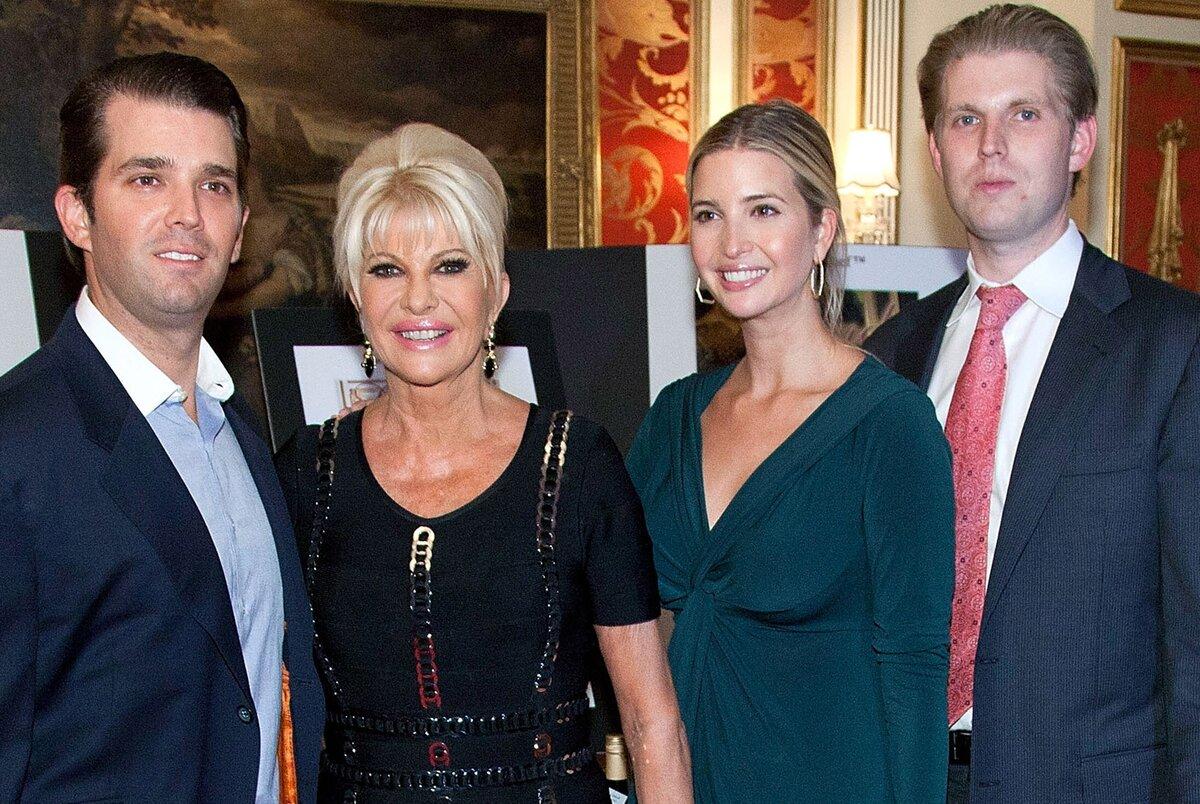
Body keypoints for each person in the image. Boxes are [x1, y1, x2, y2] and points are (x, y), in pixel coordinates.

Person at [275, 122, 692, 803]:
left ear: (496, 292)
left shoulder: (578, 466)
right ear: (355, 296)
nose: (418, 299)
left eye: (449, 265)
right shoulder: (306, 474)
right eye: (387, 269)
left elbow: (652, 724)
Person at [865, 5, 1200, 801]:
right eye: (965, 118)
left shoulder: (1174, 345)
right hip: (905, 778)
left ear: (1080, 140)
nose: (991, 144)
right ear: (935, 149)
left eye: (1023, 114)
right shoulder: (890, 356)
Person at [0, 53, 323, 801]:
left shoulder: (244, 440)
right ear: (77, 215)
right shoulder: (16, 447)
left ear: (239, 230)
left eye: (214, 185)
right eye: (148, 179)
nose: (188, 213)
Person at [627, 99, 955, 803]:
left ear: (821, 229)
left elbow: (915, 669)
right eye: (709, 214)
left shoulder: (890, 425)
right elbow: (630, 628)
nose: (732, 243)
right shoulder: (673, 418)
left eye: (764, 210)